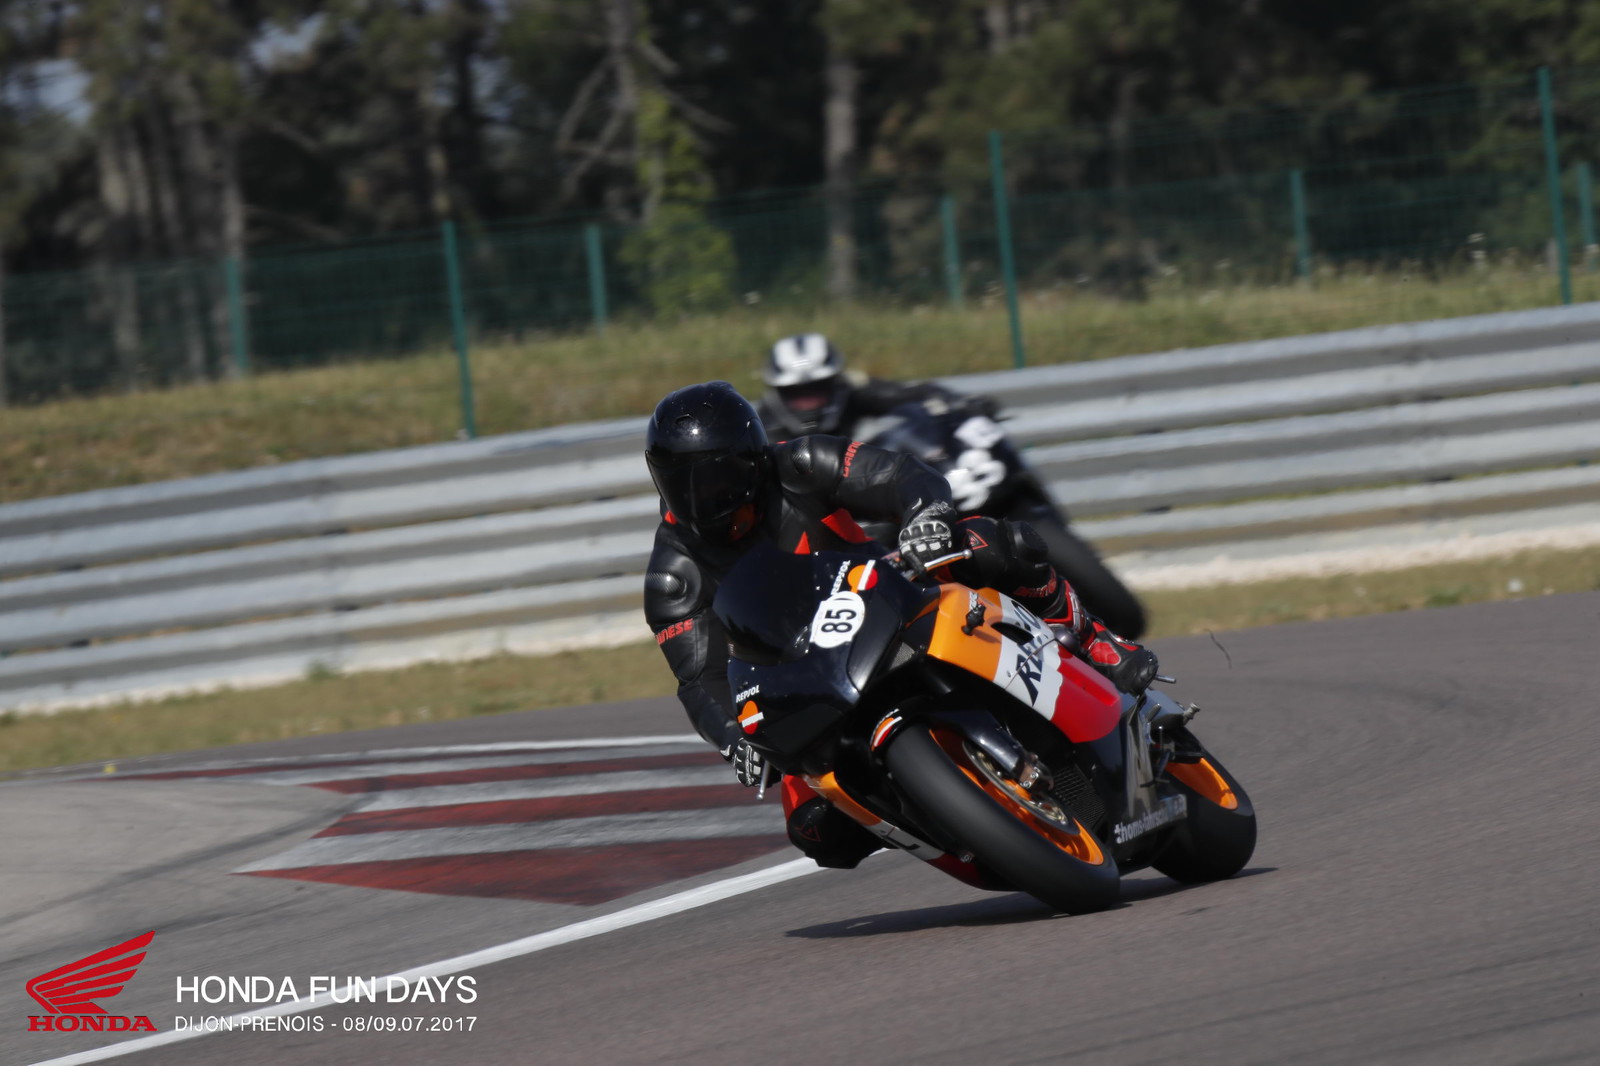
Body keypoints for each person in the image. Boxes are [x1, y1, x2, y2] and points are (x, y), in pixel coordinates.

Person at [642, 380, 1158, 869]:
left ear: (754, 458)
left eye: (717, 479)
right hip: (800, 672)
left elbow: (898, 475)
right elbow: (700, 679)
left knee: (990, 541)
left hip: (887, 593)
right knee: (816, 829)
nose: (701, 499)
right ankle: (953, 820)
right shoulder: (673, 577)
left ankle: (1095, 640)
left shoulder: (801, 462)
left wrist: (924, 516)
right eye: (679, 482)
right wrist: (734, 738)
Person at [757, 332, 996, 439]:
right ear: (779, 392)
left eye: (816, 389)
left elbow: (910, 394)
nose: (808, 401)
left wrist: (959, 403)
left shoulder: (853, 391)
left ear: (834, 383)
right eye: (797, 393)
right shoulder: (758, 428)